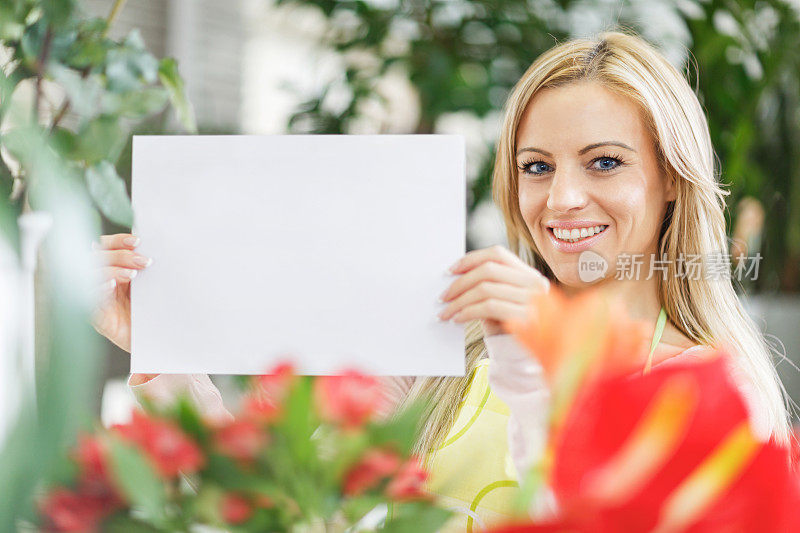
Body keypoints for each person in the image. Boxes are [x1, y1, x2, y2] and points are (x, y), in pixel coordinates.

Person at [92, 30, 791, 530]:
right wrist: (166, 350)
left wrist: (546, 354)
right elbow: (292, 508)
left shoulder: (711, 394)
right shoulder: (455, 345)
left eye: (604, 162)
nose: (563, 199)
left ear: (671, 176)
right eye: (537, 166)